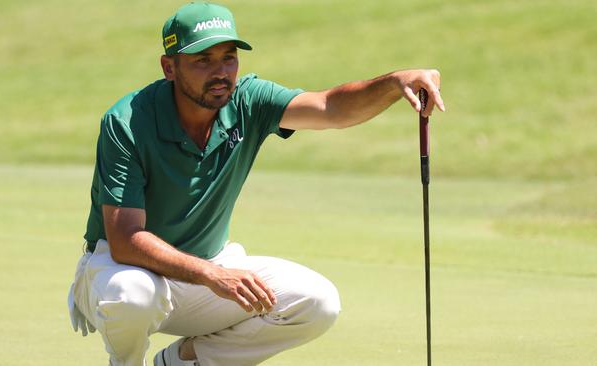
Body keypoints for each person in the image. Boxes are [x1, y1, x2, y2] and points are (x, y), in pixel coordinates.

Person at [67, 2, 445, 366]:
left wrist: (395, 83)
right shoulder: (127, 121)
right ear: (169, 67)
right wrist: (212, 275)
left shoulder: (248, 100)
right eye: (202, 60)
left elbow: (331, 107)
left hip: (210, 271)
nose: (220, 72)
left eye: (228, 57)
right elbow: (125, 240)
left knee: (317, 302)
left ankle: (185, 362)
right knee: (131, 297)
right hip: (122, 270)